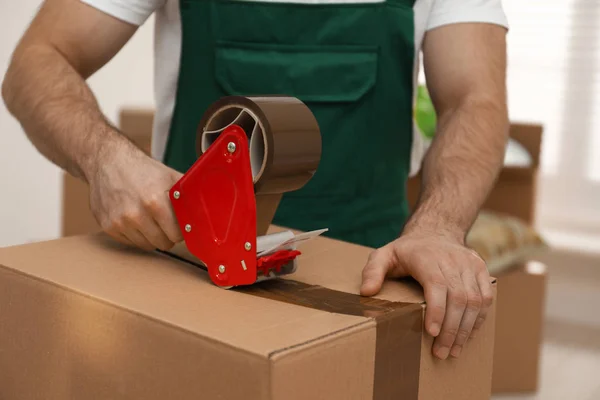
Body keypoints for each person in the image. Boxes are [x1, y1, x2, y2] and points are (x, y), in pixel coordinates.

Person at [2, 0, 510, 361]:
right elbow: (36, 63)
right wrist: (105, 158)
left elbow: (475, 100)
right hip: (187, 269)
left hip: (374, 267)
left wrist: (439, 226)